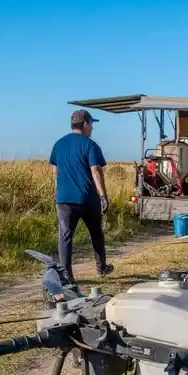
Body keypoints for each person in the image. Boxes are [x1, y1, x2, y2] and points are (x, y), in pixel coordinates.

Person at [48, 109, 114, 286]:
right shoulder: (89, 145)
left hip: (63, 199)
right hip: (86, 198)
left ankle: (67, 275)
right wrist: (103, 195)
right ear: (85, 124)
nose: (92, 128)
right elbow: (96, 170)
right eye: (91, 124)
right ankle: (101, 268)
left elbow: (55, 170)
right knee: (96, 233)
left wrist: (57, 192)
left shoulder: (58, 144)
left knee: (65, 236)